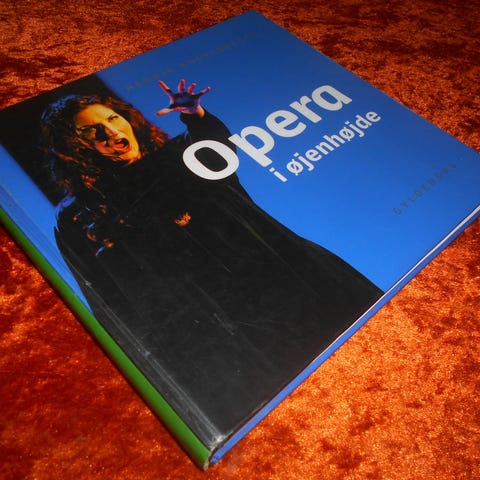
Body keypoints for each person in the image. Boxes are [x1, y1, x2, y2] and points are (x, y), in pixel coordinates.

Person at [41, 80, 383, 445]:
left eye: (112, 118)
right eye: (90, 131)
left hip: (285, 271)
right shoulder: (82, 213)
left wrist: (195, 115)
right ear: (73, 148)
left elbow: (219, 152)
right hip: (224, 315)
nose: (109, 132)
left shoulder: (178, 154)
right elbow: (107, 297)